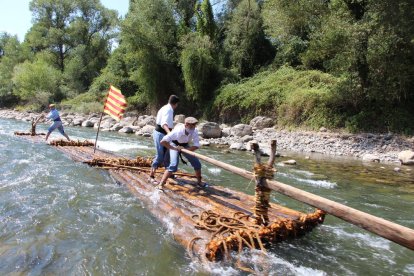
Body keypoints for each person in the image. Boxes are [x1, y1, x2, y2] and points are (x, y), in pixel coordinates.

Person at [156, 117, 206, 189]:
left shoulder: (194, 131)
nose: (192, 128)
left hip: (185, 146)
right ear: (186, 125)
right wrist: (174, 149)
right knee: (173, 164)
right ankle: (161, 184)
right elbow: (163, 142)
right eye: (190, 126)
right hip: (174, 144)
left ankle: (199, 182)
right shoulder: (177, 131)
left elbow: (196, 145)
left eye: (194, 126)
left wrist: (186, 149)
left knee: (197, 163)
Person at [150, 95, 180, 179]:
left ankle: (168, 171)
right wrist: (169, 134)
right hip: (161, 133)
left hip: (161, 133)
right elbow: (164, 124)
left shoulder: (165, 107)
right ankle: (152, 173)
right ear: (176, 104)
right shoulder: (169, 110)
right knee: (160, 156)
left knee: (167, 154)